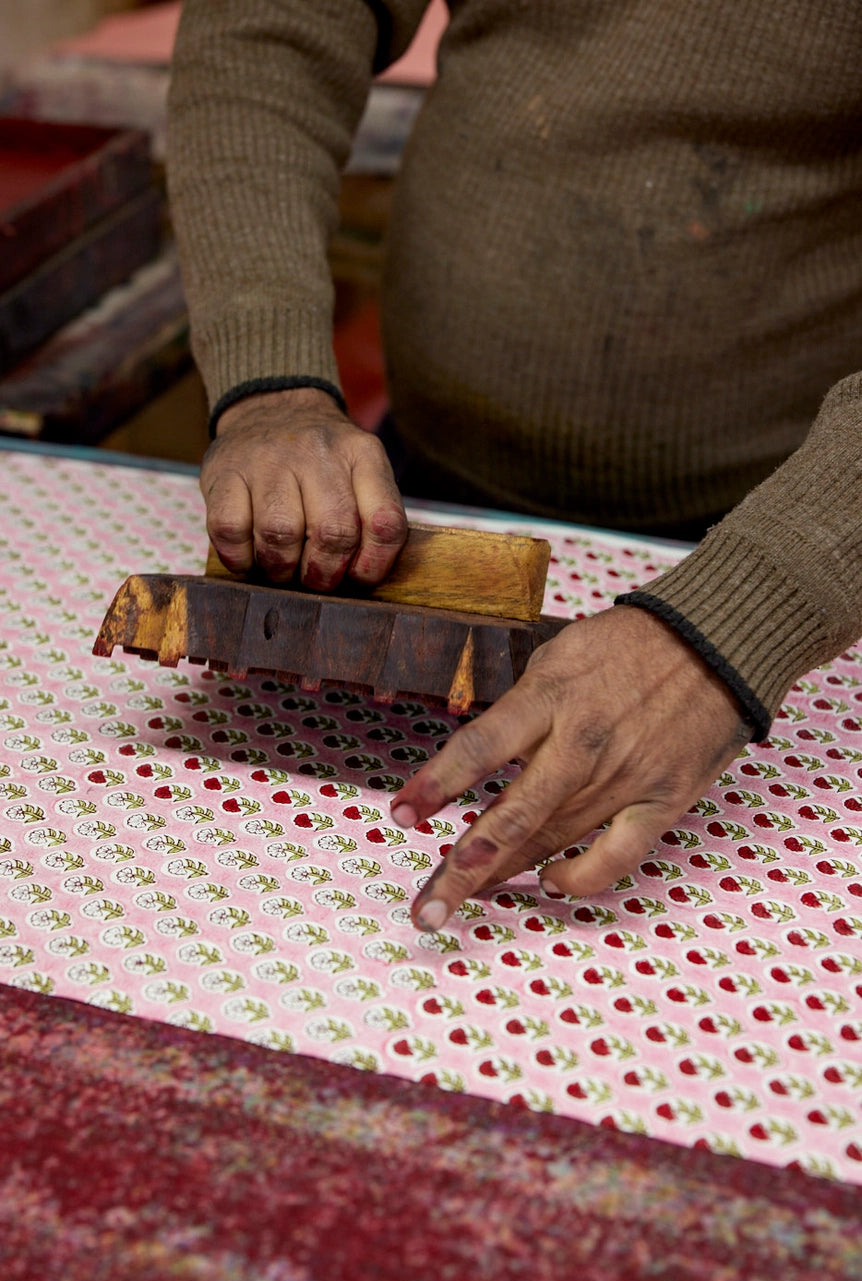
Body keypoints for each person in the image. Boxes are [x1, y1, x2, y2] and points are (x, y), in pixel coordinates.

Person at [166, 1, 862, 934]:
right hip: (417, 483)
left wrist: (749, 610)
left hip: (802, 553)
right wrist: (270, 383)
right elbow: (272, 24)